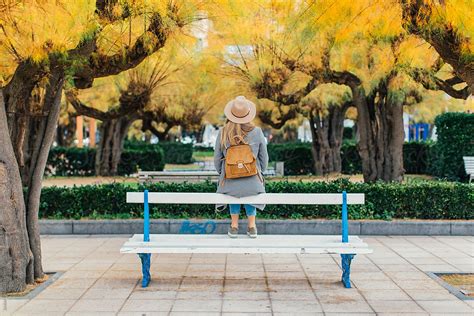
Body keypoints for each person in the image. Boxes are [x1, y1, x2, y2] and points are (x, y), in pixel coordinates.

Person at [214, 96, 268, 238]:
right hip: (252, 179)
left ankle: (234, 226)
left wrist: (224, 172)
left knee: (234, 191)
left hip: (229, 180)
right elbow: (264, 158)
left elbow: (216, 159)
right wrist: (259, 171)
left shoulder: (223, 132)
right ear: (247, 113)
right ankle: (252, 227)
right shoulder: (257, 132)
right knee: (250, 191)